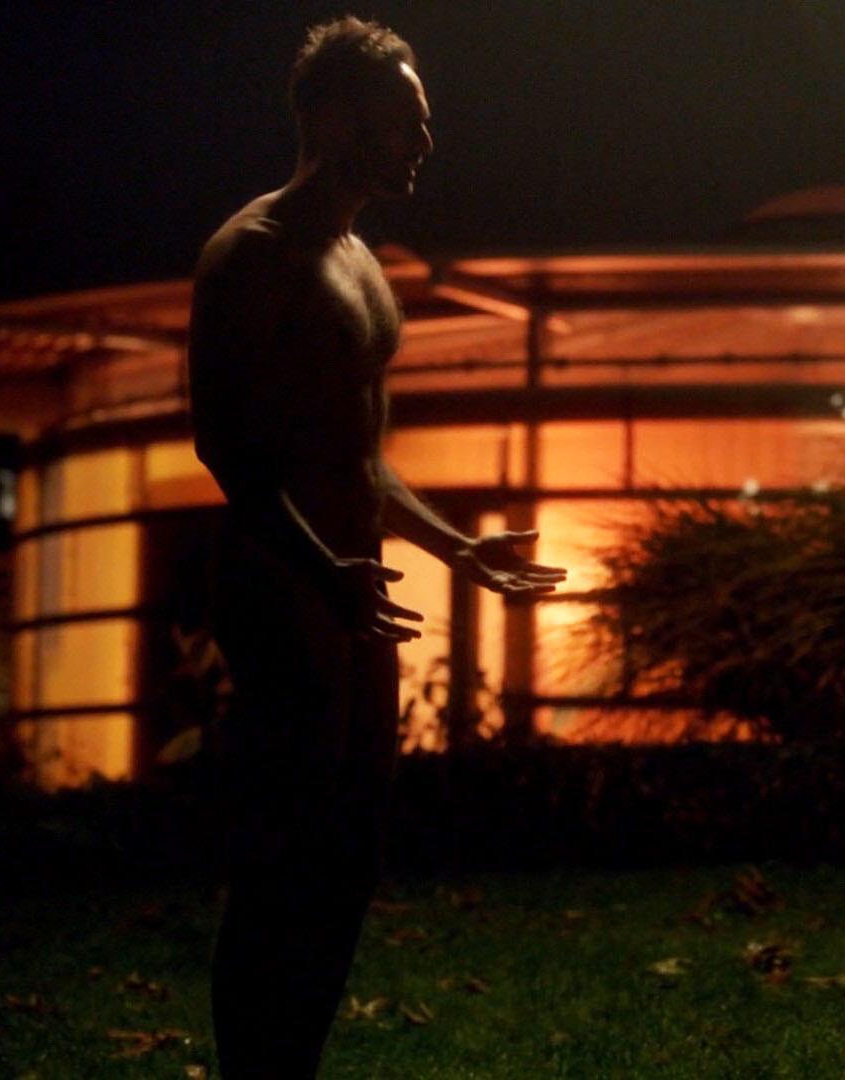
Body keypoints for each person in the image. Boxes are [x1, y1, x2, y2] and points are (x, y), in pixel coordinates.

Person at [185, 18, 566, 1077]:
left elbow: (360, 458)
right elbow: (226, 447)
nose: (424, 144)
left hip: (357, 593)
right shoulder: (253, 254)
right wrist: (320, 570)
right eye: (405, 120)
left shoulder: (361, 260)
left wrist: (457, 549)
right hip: (281, 585)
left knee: (349, 858)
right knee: (284, 857)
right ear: (334, 116)